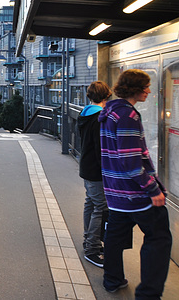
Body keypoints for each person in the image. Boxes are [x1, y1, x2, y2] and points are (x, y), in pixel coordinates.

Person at [98, 69, 172, 298]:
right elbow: (130, 162)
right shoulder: (128, 116)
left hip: (115, 191)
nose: (149, 91)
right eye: (146, 87)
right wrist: (152, 188)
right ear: (136, 89)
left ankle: (112, 280)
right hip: (136, 193)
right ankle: (148, 294)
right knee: (159, 239)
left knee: (115, 236)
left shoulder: (109, 111)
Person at [77, 81, 111, 268]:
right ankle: (92, 249)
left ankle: (88, 240)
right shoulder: (100, 118)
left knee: (91, 203)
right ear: (106, 96)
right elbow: (101, 149)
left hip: (86, 166)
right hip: (97, 171)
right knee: (100, 207)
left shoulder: (85, 113)